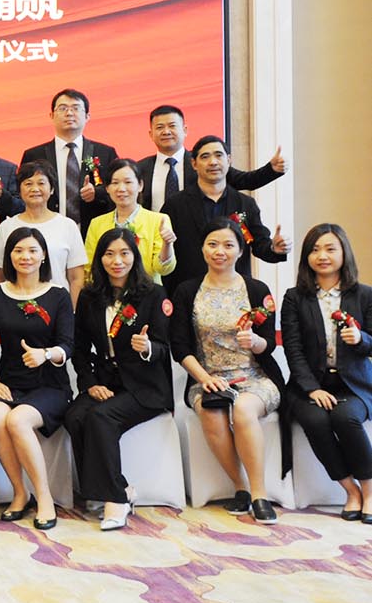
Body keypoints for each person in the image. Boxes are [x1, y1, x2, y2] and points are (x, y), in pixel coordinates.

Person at [169, 218, 286, 524]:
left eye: (228, 245)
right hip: (207, 377)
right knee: (212, 412)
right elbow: (180, 347)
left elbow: (268, 344)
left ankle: (259, 494)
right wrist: (205, 378)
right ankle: (240, 486)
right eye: (212, 244)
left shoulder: (256, 289)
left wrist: (256, 342)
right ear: (202, 249)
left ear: (240, 250)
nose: (219, 251)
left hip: (255, 377)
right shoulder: (187, 290)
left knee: (244, 409)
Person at [67, 228, 173, 530]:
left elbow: (165, 348)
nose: (117, 261)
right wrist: (90, 384)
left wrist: (147, 348)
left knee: (101, 417)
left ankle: (116, 498)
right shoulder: (89, 296)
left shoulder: (153, 294)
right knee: (75, 415)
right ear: (99, 259)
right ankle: (103, 489)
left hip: (145, 386)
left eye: (124, 253)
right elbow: (79, 349)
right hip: (106, 381)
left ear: (134, 257)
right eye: (109, 254)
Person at [0, 228, 74, 529]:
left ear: (43, 255)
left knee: (18, 420)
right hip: (8, 383)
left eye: (32, 250)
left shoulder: (58, 295)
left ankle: (44, 497)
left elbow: (67, 346)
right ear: (9, 256)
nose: (26, 257)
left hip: (50, 384)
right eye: (18, 250)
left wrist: (45, 354)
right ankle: (20, 493)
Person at [280, 224, 372, 522]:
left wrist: (361, 339)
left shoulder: (365, 295)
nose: (322, 256)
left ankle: (369, 491)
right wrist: (312, 388)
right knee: (315, 419)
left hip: (353, 384)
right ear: (306, 256)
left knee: (346, 418)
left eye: (330, 249)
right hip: (310, 385)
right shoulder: (294, 298)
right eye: (315, 250)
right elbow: (293, 350)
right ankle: (350, 490)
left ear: (344, 253)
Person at [161, 136, 289, 297]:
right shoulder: (175, 205)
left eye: (218, 155)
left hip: (236, 294)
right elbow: (165, 252)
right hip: (189, 293)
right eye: (205, 157)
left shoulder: (245, 204)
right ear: (194, 164)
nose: (213, 162)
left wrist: (274, 248)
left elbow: (259, 245)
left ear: (229, 160)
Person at [137, 104, 285, 212]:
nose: (166, 132)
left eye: (172, 126)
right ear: (151, 134)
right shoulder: (139, 169)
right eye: (160, 127)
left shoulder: (202, 162)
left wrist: (271, 169)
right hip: (154, 240)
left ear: (185, 130)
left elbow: (246, 180)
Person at [19, 88, 119, 235]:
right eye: (63, 108)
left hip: (93, 232)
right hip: (45, 232)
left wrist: (97, 193)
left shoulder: (105, 153)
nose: (69, 113)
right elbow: (21, 194)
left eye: (76, 108)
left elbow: (118, 189)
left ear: (87, 116)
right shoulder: (34, 155)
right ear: (52, 115)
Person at [0, 161, 87, 304]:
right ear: (20, 190)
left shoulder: (68, 226)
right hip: (14, 305)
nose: (35, 189)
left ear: (52, 189)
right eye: (28, 184)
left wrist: (72, 311)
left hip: (57, 305)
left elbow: (76, 278)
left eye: (41, 183)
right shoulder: (7, 226)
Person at [82, 159, 177, 284]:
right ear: (107, 188)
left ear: (140, 185)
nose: (121, 188)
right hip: (106, 292)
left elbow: (163, 269)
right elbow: (89, 267)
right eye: (115, 183)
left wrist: (167, 245)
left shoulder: (158, 221)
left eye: (128, 182)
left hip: (146, 291)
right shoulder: (97, 224)